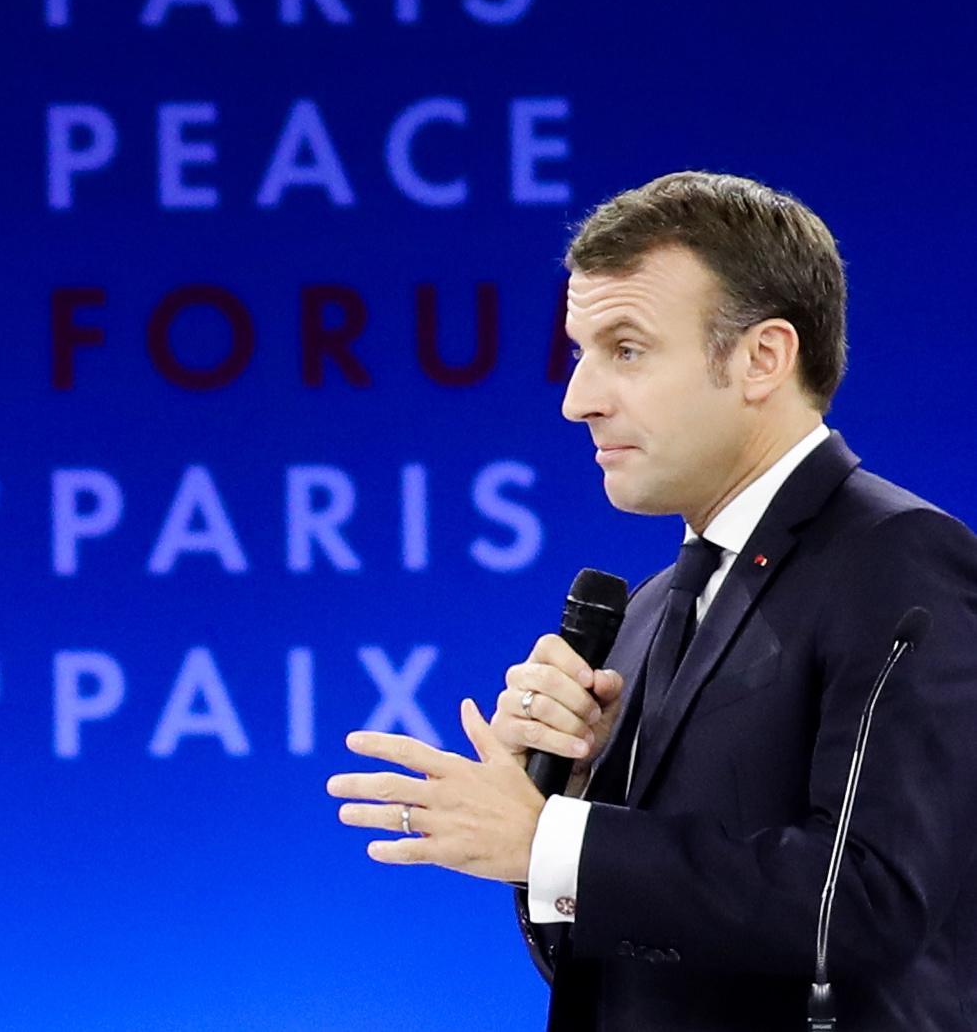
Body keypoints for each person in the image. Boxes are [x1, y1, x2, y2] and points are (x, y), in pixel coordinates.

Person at [325, 171, 977, 1029]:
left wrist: (554, 842)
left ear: (761, 358)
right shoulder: (645, 611)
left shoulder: (898, 560)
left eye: (625, 349)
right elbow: (622, 967)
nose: (576, 399)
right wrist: (564, 805)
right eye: (577, 352)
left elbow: (863, 901)